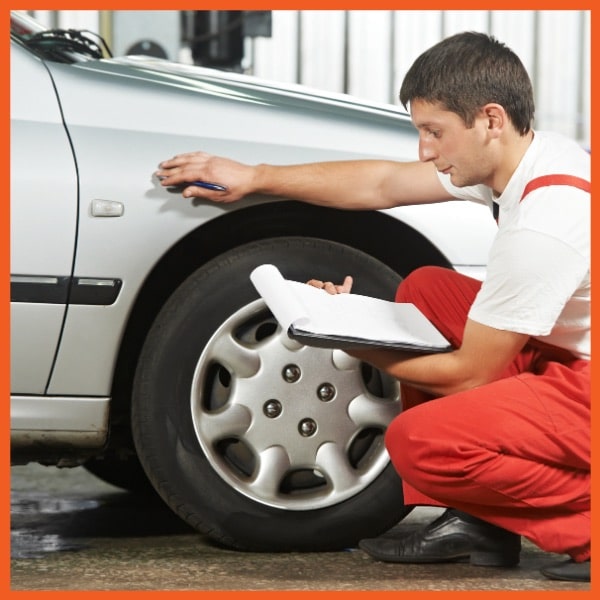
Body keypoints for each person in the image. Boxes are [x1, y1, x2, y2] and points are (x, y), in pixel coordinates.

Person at [156, 32, 590, 583]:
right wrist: (256, 177)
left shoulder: (544, 223)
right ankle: (482, 520)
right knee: (426, 292)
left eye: (434, 133)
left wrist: (353, 338)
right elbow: (382, 183)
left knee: (419, 442)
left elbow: (465, 374)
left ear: (491, 118)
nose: (425, 152)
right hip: (572, 357)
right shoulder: (520, 159)